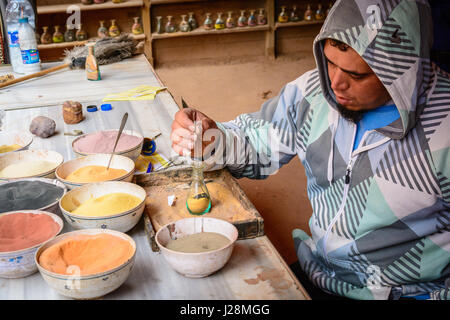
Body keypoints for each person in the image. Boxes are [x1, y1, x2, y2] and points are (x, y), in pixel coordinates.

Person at [171, 0, 449, 300]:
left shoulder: (443, 127)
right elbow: (256, 142)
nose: (336, 83)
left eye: (357, 75)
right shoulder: (313, 93)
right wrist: (212, 139)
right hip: (321, 273)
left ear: (403, 70)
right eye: (330, 62)